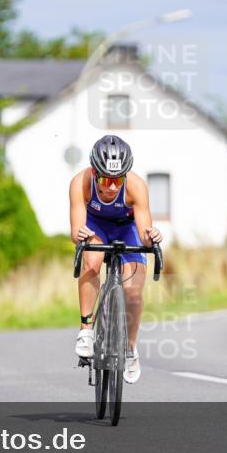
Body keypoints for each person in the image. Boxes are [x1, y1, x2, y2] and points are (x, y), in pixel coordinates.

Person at [69, 135, 163, 384]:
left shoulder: (136, 186)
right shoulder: (80, 182)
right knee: (91, 261)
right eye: (106, 179)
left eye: (117, 179)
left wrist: (151, 237)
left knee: (133, 293)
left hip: (127, 229)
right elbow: (76, 230)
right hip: (95, 227)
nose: (111, 187)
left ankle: (130, 348)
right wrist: (81, 235)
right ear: (94, 172)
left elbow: (144, 234)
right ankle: (86, 329)